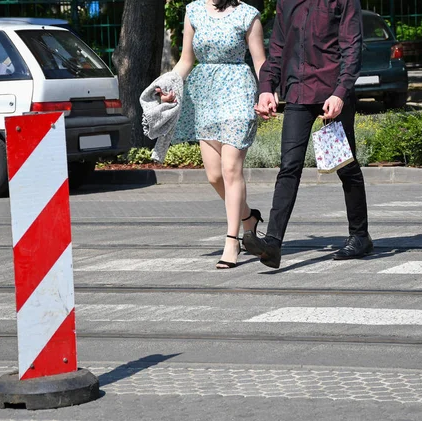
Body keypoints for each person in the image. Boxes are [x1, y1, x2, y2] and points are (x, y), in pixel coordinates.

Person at [243, 0, 372, 269]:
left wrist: (340, 93)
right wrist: (267, 87)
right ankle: (273, 244)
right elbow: (277, 48)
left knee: (344, 166)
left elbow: (351, 48)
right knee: (289, 166)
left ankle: (360, 235)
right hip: (298, 93)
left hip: (333, 93)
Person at [157, 0, 267, 269]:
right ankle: (248, 218)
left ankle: (232, 241)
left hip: (238, 93)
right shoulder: (193, 11)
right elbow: (185, 61)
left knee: (231, 170)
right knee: (214, 176)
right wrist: (169, 86)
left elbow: (260, 62)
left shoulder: (247, 15)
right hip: (203, 96)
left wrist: (266, 93)